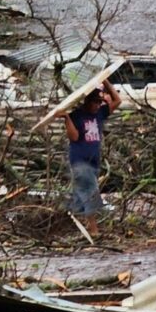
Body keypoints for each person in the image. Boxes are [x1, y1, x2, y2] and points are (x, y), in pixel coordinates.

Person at [61, 79, 122, 236]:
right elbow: (74, 137)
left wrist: (106, 81)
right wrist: (67, 119)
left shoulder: (100, 114)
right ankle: (93, 230)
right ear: (87, 101)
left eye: (99, 102)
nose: (97, 105)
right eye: (95, 102)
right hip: (80, 162)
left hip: (94, 162)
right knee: (91, 193)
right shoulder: (77, 116)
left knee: (81, 194)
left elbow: (117, 100)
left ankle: (68, 220)